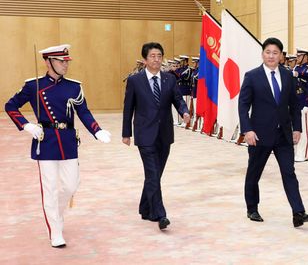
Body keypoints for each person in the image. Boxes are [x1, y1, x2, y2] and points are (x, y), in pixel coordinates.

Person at [5, 44, 111, 248]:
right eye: (61, 61)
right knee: (50, 188)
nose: (65, 65)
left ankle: (57, 213)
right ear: (48, 62)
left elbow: (84, 112)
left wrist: (96, 130)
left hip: (68, 141)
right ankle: (55, 229)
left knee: (72, 185)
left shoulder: (74, 86)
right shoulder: (33, 85)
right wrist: (26, 125)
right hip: (45, 142)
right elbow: (10, 106)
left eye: (66, 61)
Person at [238, 37, 308, 228]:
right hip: (259, 135)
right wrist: (247, 130)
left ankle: (298, 213)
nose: (271, 56)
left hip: (283, 135)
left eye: (275, 53)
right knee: (254, 173)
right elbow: (243, 105)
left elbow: (294, 104)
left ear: (281, 56)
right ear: (262, 54)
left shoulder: (288, 75)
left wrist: (297, 128)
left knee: (289, 173)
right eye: (268, 52)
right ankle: (252, 208)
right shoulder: (252, 76)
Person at [122, 42, 190, 230]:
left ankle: (145, 207)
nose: (156, 59)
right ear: (145, 59)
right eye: (152, 56)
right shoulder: (135, 81)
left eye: (159, 55)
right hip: (144, 134)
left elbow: (177, 99)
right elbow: (128, 109)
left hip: (164, 134)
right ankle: (160, 214)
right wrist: (126, 133)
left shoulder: (169, 79)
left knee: (155, 175)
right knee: (152, 174)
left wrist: (184, 111)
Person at [292, 48, 308, 162]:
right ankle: (298, 152)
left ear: (305, 57)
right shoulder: (296, 68)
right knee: (297, 129)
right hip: (296, 102)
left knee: (304, 130)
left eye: (299, 56)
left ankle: (303, 154)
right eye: (297, 56)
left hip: (304, 103)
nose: (297, 58)